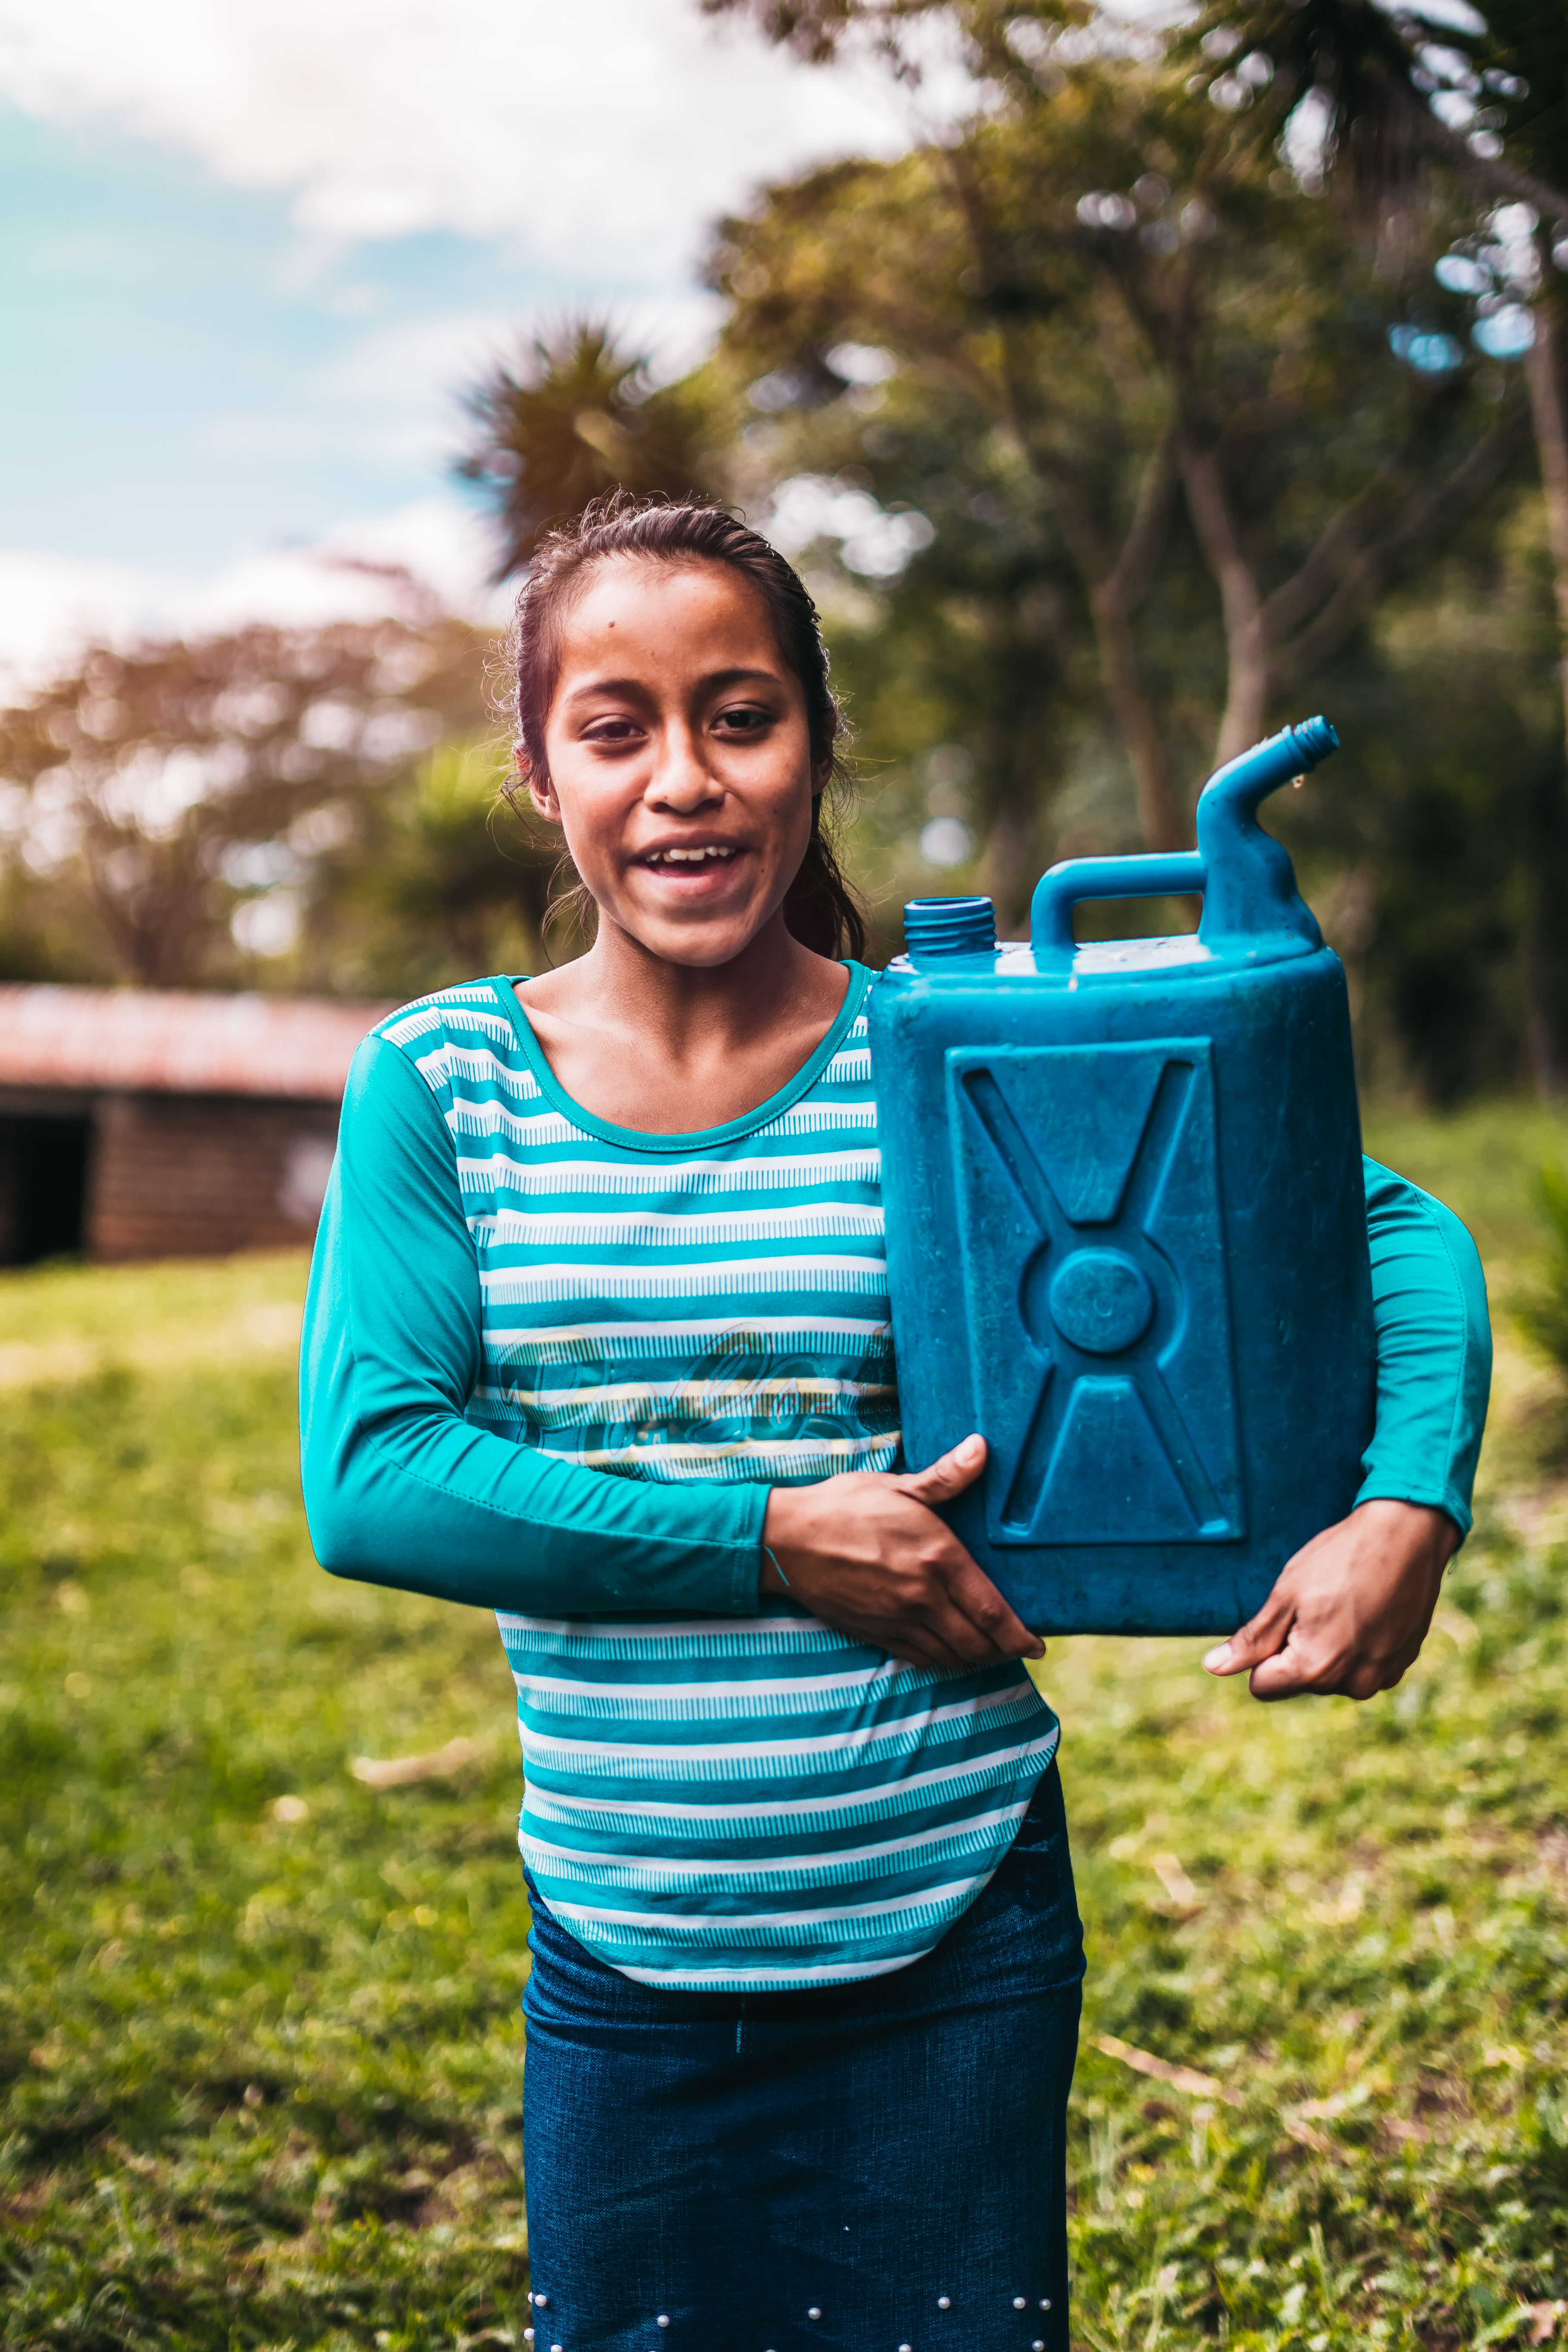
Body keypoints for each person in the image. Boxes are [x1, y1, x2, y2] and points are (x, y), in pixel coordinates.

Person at [299, 494, 1491, 2352]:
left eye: (740, 714)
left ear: (815, 746)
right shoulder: (448, 1080)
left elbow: (1386, 1233)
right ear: (541, 775)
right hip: (621, 1954)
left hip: (956, 1928)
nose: (683, 779)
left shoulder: (946, 1055)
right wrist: (780, 1536)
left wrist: (1402, 1506)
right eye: (615, 727)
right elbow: (375, 1481)